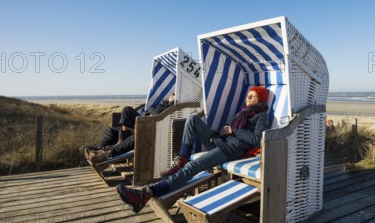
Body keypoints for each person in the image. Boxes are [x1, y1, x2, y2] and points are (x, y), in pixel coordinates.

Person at [116, 86, 270, 214]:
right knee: (192, 119)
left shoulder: (261, 115)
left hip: (231, 150)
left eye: (252, 96)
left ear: (260, 99)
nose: (247, 99)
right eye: (248, 96)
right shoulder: (243, 112)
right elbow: (233, 129)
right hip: (221, 141)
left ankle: (146, 194)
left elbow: (257, 139)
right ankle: (182, 157)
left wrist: (234, 130)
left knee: (192, 167)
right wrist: (225, 129)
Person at [83, 93, 176, 164]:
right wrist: (164, 103)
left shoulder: (175, 107)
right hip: (141, 122)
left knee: (135, 137)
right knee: (119, 118)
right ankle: (101, 148)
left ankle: (105, 153)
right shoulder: (165, 103)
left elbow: (158, 113)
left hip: (149, 129)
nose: (172, 95)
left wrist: (171, 102)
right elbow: (150, 109)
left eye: (174, 95)